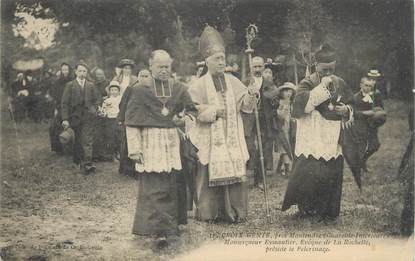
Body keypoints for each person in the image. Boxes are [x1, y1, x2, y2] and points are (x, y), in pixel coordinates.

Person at [121, 50, 195, 246]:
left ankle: (171, 226)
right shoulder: (139, 89)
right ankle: (155, 229)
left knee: (171, 183)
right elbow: (131, 121)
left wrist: (183, 119)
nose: (164, 70)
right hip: (149, 141)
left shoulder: (178, 87)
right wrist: (134, 149)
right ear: (151, 66)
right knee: (153, 185)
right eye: (160, 67)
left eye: (167, 67)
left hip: (171, 141)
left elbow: (191, 110)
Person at [187, 26, 258, 223]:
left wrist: (251, 94)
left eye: (223, 58)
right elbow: (191, 109)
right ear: (207, 61)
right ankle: (209, 212)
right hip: (210, 137)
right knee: (207, 170)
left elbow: (246, 107)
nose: (221, 62)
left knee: (235, 170)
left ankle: (235, 211)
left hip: (232, 139)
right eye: (217, 58)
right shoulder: (198, 85)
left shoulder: (233, 81)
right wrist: (212, 112)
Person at [281, 44, 355, 221]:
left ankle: (328, 210)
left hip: (331, 133)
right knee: (310, 170)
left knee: (330, 170)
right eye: (324, 69)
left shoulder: (340, 82)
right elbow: (299, 107)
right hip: (312, 132)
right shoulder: (307, 82)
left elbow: (352, 103)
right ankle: (307, 209)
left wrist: (346, 110)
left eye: (332, 69)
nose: (329, 73)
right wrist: (321, 88)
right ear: (316, 66)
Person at [241, 56, 277, 187]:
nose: (257, 69)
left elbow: (276, 102)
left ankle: (260, 180)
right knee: (251, 148)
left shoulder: (269, 83)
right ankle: (250, 177)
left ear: (263, 67)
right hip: (249, 119)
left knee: (264, 148)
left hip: (264, 119)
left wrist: (272, 99)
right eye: (254, 66)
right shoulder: (245, 82)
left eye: (259, 66)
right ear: (250, 67)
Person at [61, 62, 101, 174]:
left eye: (84, 71)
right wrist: (65, 118)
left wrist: (94, 108)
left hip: (88, 116)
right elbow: (64, 103)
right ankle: (78, 161)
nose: (82, 73)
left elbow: (97, 99)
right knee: (77, 140)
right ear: (75, 72)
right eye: (80, 71)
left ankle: (88, 163)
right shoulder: (70, 85)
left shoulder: (91, 85)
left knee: (87, 140)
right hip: (74, 117)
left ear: (87, 72)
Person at [350, 76, 386, 172]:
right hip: (360, 125)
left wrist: (379, 114)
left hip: (372, 125)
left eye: (370, 86)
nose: (368, 88)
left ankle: (362, 161)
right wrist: (367, 113)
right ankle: (358, 167)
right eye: (366, 85)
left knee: (375, 145)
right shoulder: (355, 98)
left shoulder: (375, 96)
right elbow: (353, 113)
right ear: (361, 85)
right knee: (361, 147)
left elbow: (381, 109)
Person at [113, 59, 139, 176]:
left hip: (130, 106)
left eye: (129, 68)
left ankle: (130, 166)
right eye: (125, 68)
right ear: (122, 69)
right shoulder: (117, 79)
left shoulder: (135, 80)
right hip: (118, 105)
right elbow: (110, 89)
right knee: (122, 137)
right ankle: (123, 165)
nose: (127, 70)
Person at [49, 63, 73, 155]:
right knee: (54, 127)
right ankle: (58, 149)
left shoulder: (73, 81)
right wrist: (56, 108)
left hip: (71, 108)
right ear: (61, 71)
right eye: (63, 70)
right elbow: (55, 96)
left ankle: (70, 149)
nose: (65, 72)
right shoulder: (57, 82)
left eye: (67, 69)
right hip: (60, 107)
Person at [273, 82, 296, 176]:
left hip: (290, 128)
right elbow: (279, 115)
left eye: (290, 91)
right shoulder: (280, 103)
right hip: (281, 128)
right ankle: (287, 170)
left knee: (287, 147)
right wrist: (283, 111)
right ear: (282, 93)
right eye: (286, 91)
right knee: (284, 147)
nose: (288, 93)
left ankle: (279, 168)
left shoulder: (292, 104)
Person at [99, 81, 122, 161]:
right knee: (111, 137)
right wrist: (102, 112)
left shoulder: (121, 99)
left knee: (119, 137)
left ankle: (119, 153)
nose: (114, 92)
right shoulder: (107, 100)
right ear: (109, 91)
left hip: (119, 120)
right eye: (112, 90)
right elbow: (104, 111)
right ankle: (112, 155)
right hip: (110, 120)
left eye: (116, 90)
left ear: (119, 91)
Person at [91, 68, 110, 162]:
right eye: (97, 74)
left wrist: (107, 97)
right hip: (96, 110)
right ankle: (96, 155)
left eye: (101, 74)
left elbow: (113, 93)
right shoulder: (93, 84)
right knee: (97, 133)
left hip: (108, 110)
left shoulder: (108, 83)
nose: (99, 76)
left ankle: (106, 154)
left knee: (106, 132)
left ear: (103, 74)